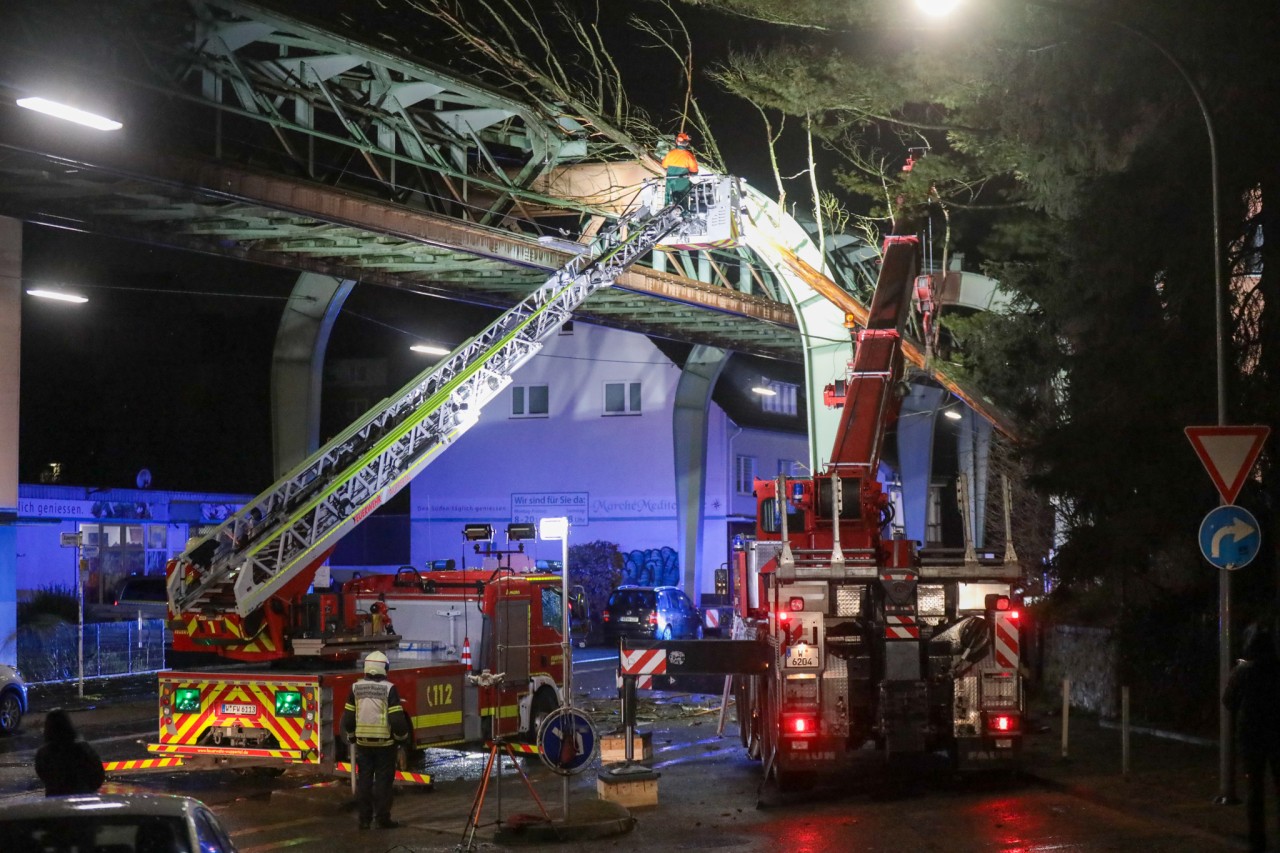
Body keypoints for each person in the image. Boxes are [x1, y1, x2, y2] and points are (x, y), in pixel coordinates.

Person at [1223, 620, 1280, 853]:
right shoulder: (1277, 669)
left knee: (1254, 790)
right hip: (1277, 734)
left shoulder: (1243, 671)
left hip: (1251, 736)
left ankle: (1257, 841)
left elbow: (1228, 701)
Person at [341, 650, 410, 830]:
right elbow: (396, 719)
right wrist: (402, 738)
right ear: (384, 668)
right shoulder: (389, 688)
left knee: (364, 781)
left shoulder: (355, 688)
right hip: (385, 745)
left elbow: (348, 718)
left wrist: (352, 735)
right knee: (383, 782)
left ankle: (364, 820)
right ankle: (382, 818)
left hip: (363, 745)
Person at [35, 710, 105, 796]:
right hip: (83, 797)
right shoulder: (82, 749)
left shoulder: (43, 753)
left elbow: (43, 774)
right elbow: (98, 775)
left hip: (56, 800)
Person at [661, 131, 699, 207]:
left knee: (668, 201)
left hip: (670, 183)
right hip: (683, 184)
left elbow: (664, 165)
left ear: (677, 142)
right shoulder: (689, 156)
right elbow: (694, 171)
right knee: (683, 201)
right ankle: (684, 214)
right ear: (687, 143)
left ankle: (666, 211)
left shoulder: (670, 153)